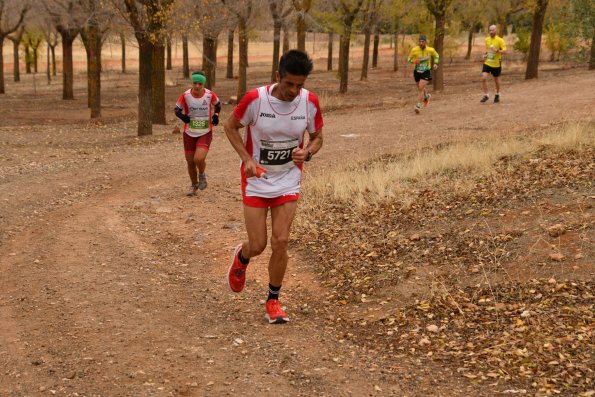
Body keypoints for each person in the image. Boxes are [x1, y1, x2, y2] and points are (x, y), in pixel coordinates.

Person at [223, 50, 324, 324]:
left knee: (281, 241)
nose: (294, 90)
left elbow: (317, 137)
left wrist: (309, 153)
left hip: (288, 179)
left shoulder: (309, 102)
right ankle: (242, 257)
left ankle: (273, 300)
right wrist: (246, 159)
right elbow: (230, 126)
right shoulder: (256, 100)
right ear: (277, 76)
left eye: (300, 85)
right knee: (258, 244)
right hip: (256, 181)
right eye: (289, 83)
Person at [174, 71, 221, 196]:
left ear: (203, 84)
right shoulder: (185, 95)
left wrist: (216, 115)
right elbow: (177, 109)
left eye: (200, 84)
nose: (197, 86)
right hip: (189, 132)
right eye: (195, 83)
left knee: (198, 158)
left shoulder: (210, 95)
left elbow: (218, 105)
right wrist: (183, 117)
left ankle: (202, 174)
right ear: (192, 83)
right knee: (190, 161)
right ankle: (194, 185)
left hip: (205, 131)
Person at [408, 35, 439, 114]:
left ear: (425, 42)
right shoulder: (414, 50)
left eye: (423, 41)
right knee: (420, 87)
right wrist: (415, 61)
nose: (421, 43)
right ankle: (426, 96)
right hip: (417, 71)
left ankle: (418, 106)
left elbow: (436, 55)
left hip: (426, 71)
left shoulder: (430, 49)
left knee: (421, 87)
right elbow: (409, 59)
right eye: (420, 41)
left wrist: (435, 63)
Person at [480, 25, 507, 104]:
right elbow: (487, 50)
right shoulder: (487, 40)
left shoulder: (500, 40)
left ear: (496, 30)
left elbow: (505, 51)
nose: (491, 32)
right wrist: (484, 55)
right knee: (483, 78)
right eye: (490, 30)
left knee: (496, 81)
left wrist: (497, 51)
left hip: (496, 64)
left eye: (493, 30)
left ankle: (498, 94)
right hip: (487, 62)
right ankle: (486, 95)